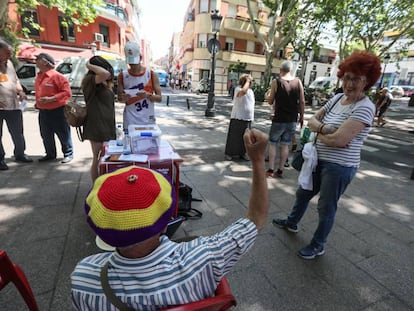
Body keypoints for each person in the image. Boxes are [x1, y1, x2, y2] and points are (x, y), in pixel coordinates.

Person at [71, 128, 269, 310]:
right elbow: (256, 218)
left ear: (103, 234)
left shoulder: (84, 279)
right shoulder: (205, 257)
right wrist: (258, 159)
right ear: (166, 223)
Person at [273, 50, 381, 259]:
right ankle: (292, 222)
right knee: (302, 193)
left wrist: (320, 130)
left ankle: (318, 244)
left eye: (356, 79)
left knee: (325, 207)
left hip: (339, 167)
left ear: (367, 81)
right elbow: (314, 121)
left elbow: (339, 141)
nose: (349, 84)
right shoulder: (338, 98)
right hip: (317, 159)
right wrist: (326, 130)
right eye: (346, 78)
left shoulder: (365, 107)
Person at [266, 61, 305, 178]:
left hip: (278, 118)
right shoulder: (298, 82)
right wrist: (302, 117)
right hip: (292, 119)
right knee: (285, 144)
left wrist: (268, 95)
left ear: (280, 70)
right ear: (291, 70)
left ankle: (271, 169)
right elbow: (302, 101)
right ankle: (280, 170)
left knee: (273, 143)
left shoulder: (276, 82)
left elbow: (270, 101)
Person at [81, 56, 116, 182]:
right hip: (96, 124)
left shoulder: (103, 82)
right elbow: (105, 73)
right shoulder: (90, 80)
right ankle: (96, 186)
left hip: (107, 124)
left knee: (106, 156)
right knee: (97, 157)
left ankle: (105, 182)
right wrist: (88, 65)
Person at [0, 39, 33, 170]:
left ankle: (20, 154)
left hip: (13, 105)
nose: (10, 56)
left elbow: (15, 80)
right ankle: (0, 159)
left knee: (18, 132)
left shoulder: (9, 64)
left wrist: (20, 91)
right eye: (7, 53)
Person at [34, 53, 73, 163]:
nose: (36, 61)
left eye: (38, 59)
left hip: (58, 110)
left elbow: (67, 92)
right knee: (45, 134)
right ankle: (50, 154)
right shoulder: (39, 76)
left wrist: (51, 99)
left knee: (63, 133)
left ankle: (68, 153)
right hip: (43, 111)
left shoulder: (57, 76)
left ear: (45, 62)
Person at [117, 41, 162, 128]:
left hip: (148, 119)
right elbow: (119, 98)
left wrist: (147, 95)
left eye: (134, 62)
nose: (132, 65)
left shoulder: (151, 74)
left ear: (140, 58)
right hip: (130, 119)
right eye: (130, 62)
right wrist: (123, 98)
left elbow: (159, 98)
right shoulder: (122, 76)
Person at [224, 74, 255, 161]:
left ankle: (243, 153)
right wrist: (248, 80)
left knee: (245, 137)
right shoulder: (238, 89)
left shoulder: (251, 91)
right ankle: (229, 153)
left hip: (247, 118)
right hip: (238, 116)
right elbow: (243, 92)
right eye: (248, 81)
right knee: (234, 137)